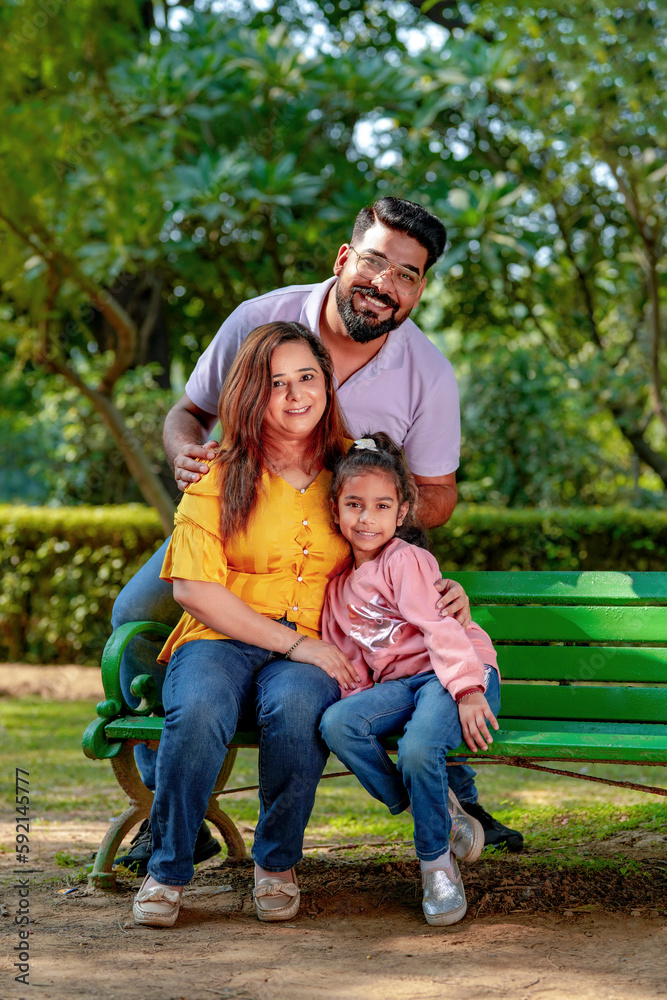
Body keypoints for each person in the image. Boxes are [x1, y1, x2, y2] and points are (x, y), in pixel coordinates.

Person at [115, 197, 522, 873]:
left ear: (420, 289)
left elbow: (442, 497)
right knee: (134, 613)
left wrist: (369, 493)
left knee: (412, 627)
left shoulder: (428, 372)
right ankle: (173, 807)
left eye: (408, 275)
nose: (386, 284)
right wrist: (185, 452)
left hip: (349, 538)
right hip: (245, 518)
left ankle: (455, 794)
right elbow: (186, 413)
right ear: (343, 258)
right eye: (374, 263)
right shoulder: (259, 319)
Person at [132, 321, 484, 928]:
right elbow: (192, 588)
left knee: (298, 711)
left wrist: (445, 591)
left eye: (308, 378)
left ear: (326, 384)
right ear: (250, 393)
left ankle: (276, 863)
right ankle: (166, 870)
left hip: (316, 645)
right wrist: (293, 642)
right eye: (276, 383)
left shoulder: (345, 477)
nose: (296, 395)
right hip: (223, 636)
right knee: (197, 709)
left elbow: (391, 554)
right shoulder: (217, 471)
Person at [319, 434, 501, 925]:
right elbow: (352, 658)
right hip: (404, 685)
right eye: (354, 504)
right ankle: (436, 807)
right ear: (335, 510)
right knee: (338, 723)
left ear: (401, 513)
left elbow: (441, 628)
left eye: (381, 506)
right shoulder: (336, 588)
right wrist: (360, 701)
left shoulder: (406, 560)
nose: (366, 517)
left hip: (456, 674)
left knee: (420, 749)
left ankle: (436, 866)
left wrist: (467, 690)